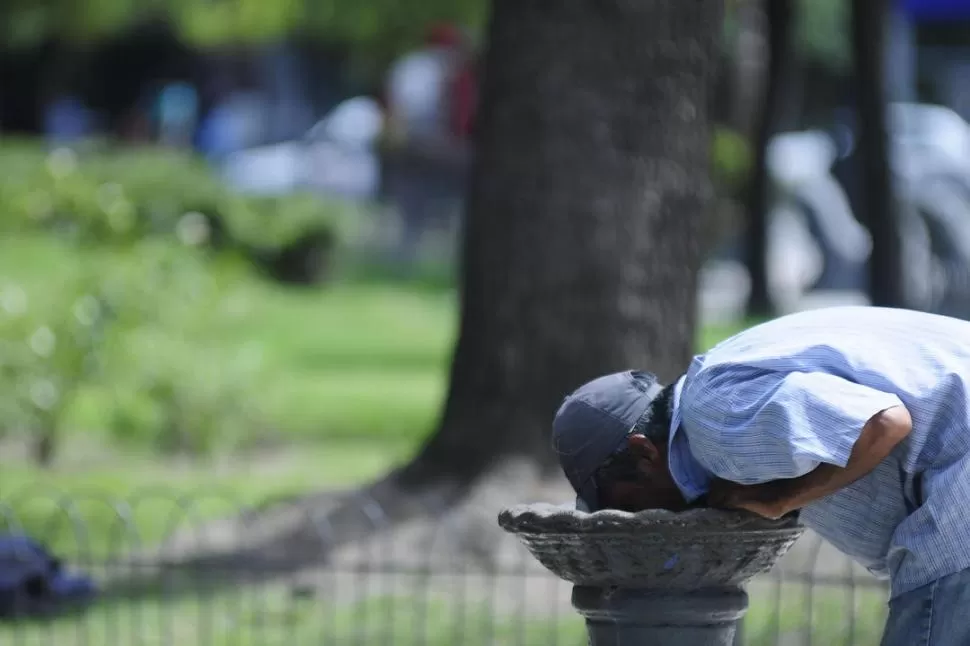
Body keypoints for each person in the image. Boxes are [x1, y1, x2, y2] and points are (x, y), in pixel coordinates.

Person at [552, 305, 970, 646]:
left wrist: (782, 501)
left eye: (622, 503)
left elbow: (884, 423)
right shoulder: (721, 383)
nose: (633, 518)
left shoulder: (711, 418)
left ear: (644, 452)